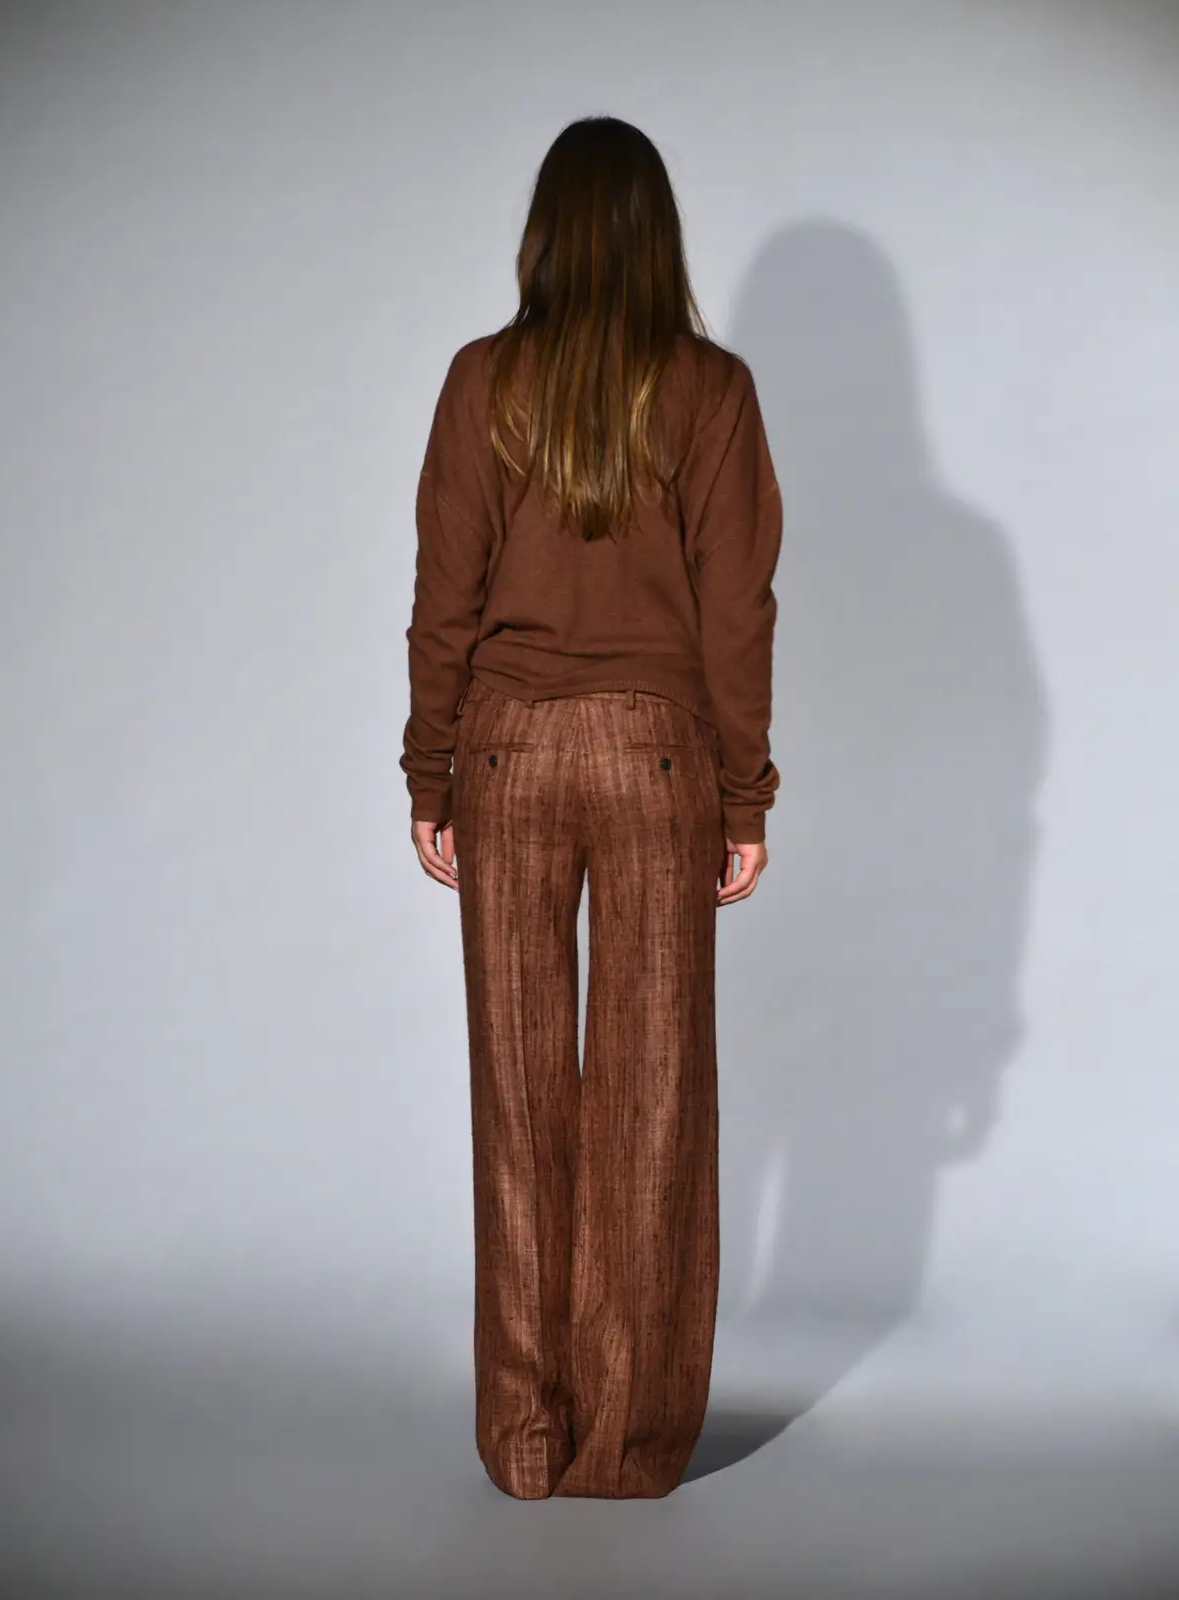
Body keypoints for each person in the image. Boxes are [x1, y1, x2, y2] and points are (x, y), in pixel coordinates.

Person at [399, 115, 783, 1500]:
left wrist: (433, 771)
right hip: (658, 761)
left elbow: (443, 593)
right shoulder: (711, 389)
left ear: (546, 235)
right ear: (657, 236)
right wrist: (743, 795)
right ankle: (625, 1443)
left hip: (504, 754)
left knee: (518, 1101)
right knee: (651, 1100)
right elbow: (738, 609)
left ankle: (527, 1439)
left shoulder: (481, 380)